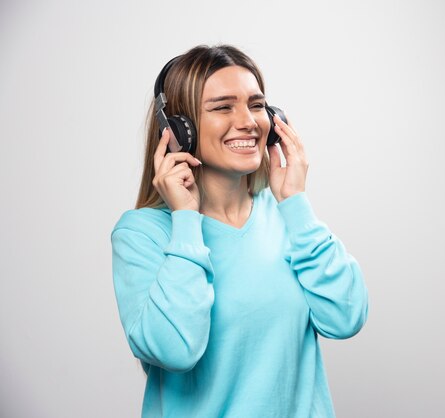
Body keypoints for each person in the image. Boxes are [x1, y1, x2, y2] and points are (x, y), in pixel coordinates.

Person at [110, 44, 369, 418]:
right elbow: (174, 350)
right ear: (179, 130)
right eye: (222, 107)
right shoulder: (142, 233)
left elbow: (346, 318)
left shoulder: (287, 216)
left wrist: (295, 201)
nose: (248, 120)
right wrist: (186, 220)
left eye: (257, 104)